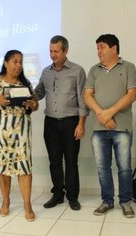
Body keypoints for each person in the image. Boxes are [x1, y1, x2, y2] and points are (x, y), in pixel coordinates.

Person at [0, 50, 38, 222]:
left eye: (21, 62)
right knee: (3, 168)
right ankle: (5, 201)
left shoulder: (25, 83)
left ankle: (27, 205)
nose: (19, 65)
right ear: (5, 63)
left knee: (24, 168)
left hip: (21, 133)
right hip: (0, 133)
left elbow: (35, 106)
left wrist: (32, 103)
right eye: (15, 61)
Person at [84, 34, 136, 218]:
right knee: (102, 167)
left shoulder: (128, 67)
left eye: (102, 47)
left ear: (114, 48)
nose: (98, 51)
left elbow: (131, 95)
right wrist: (102, 114)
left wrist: (110, 112)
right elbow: (87, 96)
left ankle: (125, 202)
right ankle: (107, 201)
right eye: (97, 47)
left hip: (122, 128)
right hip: (99, 129)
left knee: (124, 167)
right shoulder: (94, 70)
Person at [34, 35, 88, 211]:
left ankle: (72, 196)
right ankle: (58, 194)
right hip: (50, 122)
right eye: (50, 51)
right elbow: (39, 93)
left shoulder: (77, 71)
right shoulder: (45, 72)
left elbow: (82, 99)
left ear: (66, 51)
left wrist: (81, 124)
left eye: (56, 51)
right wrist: (23, 96)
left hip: (71, 122)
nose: (52, 54)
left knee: (71, 161)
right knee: (54, 161)